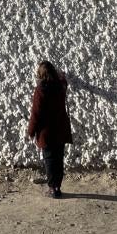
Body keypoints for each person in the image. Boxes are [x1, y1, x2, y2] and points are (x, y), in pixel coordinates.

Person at [26, 60, 73, 198]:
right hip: (60, 128)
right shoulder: (61, 86)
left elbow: (36, 113)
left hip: (47, 131)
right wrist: (62, 75)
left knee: (49, 159)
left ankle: (53, 189)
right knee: (58, 158)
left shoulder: (41, 90)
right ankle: (57, 186)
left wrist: (31, 131)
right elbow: (64, 81)